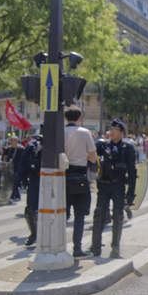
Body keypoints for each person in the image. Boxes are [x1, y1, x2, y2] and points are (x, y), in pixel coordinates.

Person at [91, 119, 137, 258]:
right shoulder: (103, 146)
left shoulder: (127, 148)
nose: (111, 132)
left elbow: (132, 172)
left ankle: (115, 246)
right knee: (99, 214)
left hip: (118, 185)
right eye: (110, 129)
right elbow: (94, 160)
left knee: (118, 216)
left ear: (121, 133)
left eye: (114, 130)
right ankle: (95, 246)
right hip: (104, 184)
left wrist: (131, 193)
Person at [64, 105, 97, 257]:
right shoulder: (84, 133)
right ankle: (77, 248)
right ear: (79, 118)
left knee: (62, 214)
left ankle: (59, 246)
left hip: (63, 175)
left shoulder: (61, 131)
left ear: (66, 117)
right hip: (80, 175)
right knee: (79, 216)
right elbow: (92, 156)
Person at [18, 129, 43, 246]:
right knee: (31, 210)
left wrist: (21, 178)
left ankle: (35, 234)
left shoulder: (32, 146)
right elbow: (24, 163)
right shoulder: (32, 146)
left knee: (32, 209)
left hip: (44, 179)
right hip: (37, 179)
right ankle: (34, 233)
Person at [2, 136, 24, 201]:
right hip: (9, 167)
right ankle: (15, 195)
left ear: (17, 142)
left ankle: (13, 195)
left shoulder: (21, 149)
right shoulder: (8, 149)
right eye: (11, 141)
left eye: (13, 141)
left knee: (15, 182)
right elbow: (5, 158)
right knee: (9, 182)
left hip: (17, 168)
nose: (12, 142)